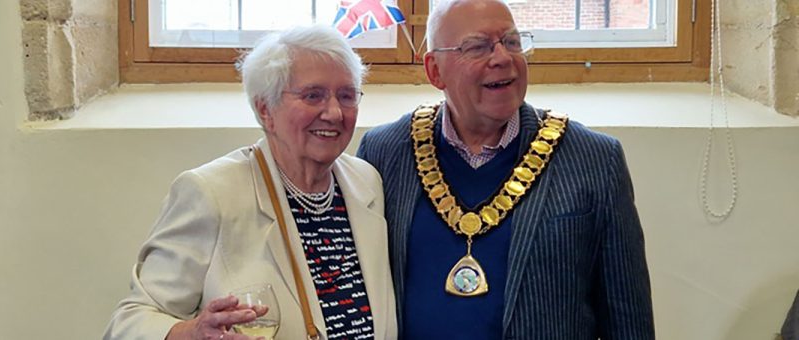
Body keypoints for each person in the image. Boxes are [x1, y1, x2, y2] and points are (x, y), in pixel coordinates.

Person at [356, 0, 654, 339]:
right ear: (435, 70)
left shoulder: (595, 159)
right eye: (478, 46)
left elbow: (629, 321)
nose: (502, 58)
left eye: (512, 42)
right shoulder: (384, 152)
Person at [103, 25, 398, 340]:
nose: (334, 112)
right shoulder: (212, 192)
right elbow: (128, 322)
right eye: (313, 95)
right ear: (265, 109)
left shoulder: (366, 183)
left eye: (347, 95)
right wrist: (191, 333)